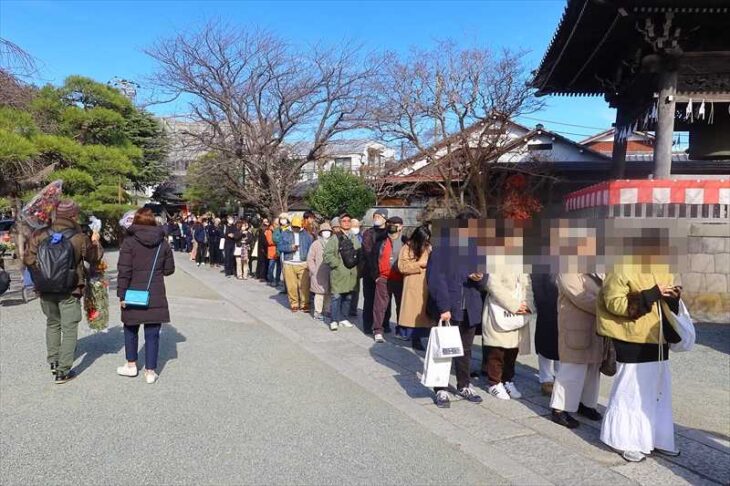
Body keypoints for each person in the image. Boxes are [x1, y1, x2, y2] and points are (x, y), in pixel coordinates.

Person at [597, 249, 681, 463]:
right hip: (631, 337)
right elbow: (613, 302)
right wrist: (650, 294)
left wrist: (673, 297)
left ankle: (657, 437)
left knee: (658, 390)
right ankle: (623, 440)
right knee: (630, 391)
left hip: (658, 338)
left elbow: (668, 305)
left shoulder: (664, 265)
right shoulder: (621, 264)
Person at [24, 200, 103, 383]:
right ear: (73, 216)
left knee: (52, 323)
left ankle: (53, 360)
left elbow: (28, 259)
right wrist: (95, 242)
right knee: (69, 328)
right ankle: (63, 371)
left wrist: (44, 274)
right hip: (70, 288)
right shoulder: (79, 237)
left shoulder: (40, 234)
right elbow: (94, 258)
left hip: (45, 288)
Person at [426, 214, 485, 408]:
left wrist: (480, 278)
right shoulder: (442, 248)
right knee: (443, 349)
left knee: (465, 349)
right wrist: (444, 307)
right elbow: (435, 279)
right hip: (449, 306)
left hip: (471, 305)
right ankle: (440, 388)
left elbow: (486, 276)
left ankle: (464, 384)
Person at [116, 208, 175, 384]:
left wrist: (121, 295)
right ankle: (150, 371)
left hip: (132, 291)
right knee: (152, 333)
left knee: (130, 328)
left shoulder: (129, 242)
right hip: (155, 292)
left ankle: (131, 365)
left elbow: (123, 271)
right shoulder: (162, 243)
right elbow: (169, 270)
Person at [550, 274, 604, 429]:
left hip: (596, 325)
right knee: (572, 368)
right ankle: (560, 408)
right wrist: (607, 306)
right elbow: (579, 296)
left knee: (593, 367)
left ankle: (586, 403)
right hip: (576, 325)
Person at [483, 273, 534, 400]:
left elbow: (528, 284)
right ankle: (494, 382)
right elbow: (492, 284)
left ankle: (507, 380)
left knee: (513, 349)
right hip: (499, 309)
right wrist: (514, 306)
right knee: (497, 349)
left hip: (519, 311)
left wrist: (528, 305)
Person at [397, 224, 432, 350]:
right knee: (414, 313)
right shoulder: (407, 247)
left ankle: (425, 337)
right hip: (413, 283)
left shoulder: (429, 246)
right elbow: (402, 267)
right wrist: (419, 264)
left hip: (428, 283)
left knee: (427, 312)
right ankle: (414, 338)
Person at [372, 216, 406, 343]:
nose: (392, 225)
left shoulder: (405, 242)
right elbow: (373, 258)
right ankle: (378, 330)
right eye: (390, 223)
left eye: (395, 224)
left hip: (399, 278)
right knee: (380, 306)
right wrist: (376, 276)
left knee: (400, 306)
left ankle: (400, 329)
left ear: (401, 226)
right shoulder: (381, 241)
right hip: (383, 278)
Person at [324, 216, 360, 331]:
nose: (346, 223)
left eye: (349, 221)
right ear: (339, 223)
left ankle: (343, 318)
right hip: (339, 273)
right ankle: (334, 320)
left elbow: (359, 251)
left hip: (352, 273)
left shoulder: (354, 237)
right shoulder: (334, 238)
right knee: (336, 296)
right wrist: (337, 264)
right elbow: (327, 255)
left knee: (348, 297)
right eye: (344, 221)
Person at [532, 273, 560, 395]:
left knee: (562, 343)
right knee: (545, 342)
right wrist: (542, 304)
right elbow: (536, 283)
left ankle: (560, 377)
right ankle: (546, 378)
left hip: (566, 307)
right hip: (547, 306)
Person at [361, 209, 389, 335]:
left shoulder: (389, 233)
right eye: (375, 216)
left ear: (385, 218)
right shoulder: (368, 233)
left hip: (385, 272)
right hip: (370, 271)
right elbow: (367, 252)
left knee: (385, 299)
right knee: (369, 299)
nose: (376, 218)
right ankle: (367, 324)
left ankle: (385, 324)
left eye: (379, 216)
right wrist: (374, 273)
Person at [278, 215, 313, 312]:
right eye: (294, 227)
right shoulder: (285, 233)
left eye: (298, 227)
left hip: (303, 262)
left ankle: (305, 303)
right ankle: (294, 304)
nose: (296, 228)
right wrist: (290, 247)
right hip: (289, 262)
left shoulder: (306, 235)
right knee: (291, 286)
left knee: (304, 286)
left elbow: (311, 248)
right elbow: (280, 247)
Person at [307, 222, 332, 322]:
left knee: (329, 293)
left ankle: (327, 310)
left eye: (328, 231)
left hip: (330, 271)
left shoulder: (333, 242)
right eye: (324, 231)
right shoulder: (316, 244)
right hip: (318, 273)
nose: (327, 233)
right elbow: (310, 258)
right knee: (319, 293)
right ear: (321, 232)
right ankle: (317, 312)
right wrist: (313, 270)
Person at [348, 218, 362, 318]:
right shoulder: (346, 236)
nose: (355, 228)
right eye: (353, 226)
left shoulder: (362, 237)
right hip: (346, 266)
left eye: (357, 226)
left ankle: (353, 310)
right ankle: (345, 308)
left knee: (355, 290)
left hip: (357, 267)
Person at [265, 219, 280, 286]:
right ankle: (270, 279)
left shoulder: (279, 230)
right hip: (272, 251)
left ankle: (277, 280)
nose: (277, 225)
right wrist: (278, 241)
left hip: (278, 251)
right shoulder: (269, 231)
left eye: (278, 223)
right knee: (271, 266)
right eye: (276, 223)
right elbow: (270, 242)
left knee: (279, 267)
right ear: (273, 223)